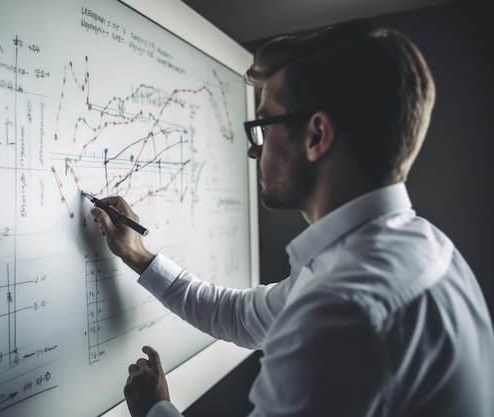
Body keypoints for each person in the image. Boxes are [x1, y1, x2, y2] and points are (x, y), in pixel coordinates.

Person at [89, 20, 494, 417]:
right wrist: (139, 257)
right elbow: (241, 316)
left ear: (316, 136)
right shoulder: (424, 247)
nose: (254, 150)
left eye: (263, 125)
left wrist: (155, 411)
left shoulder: (341, 311)